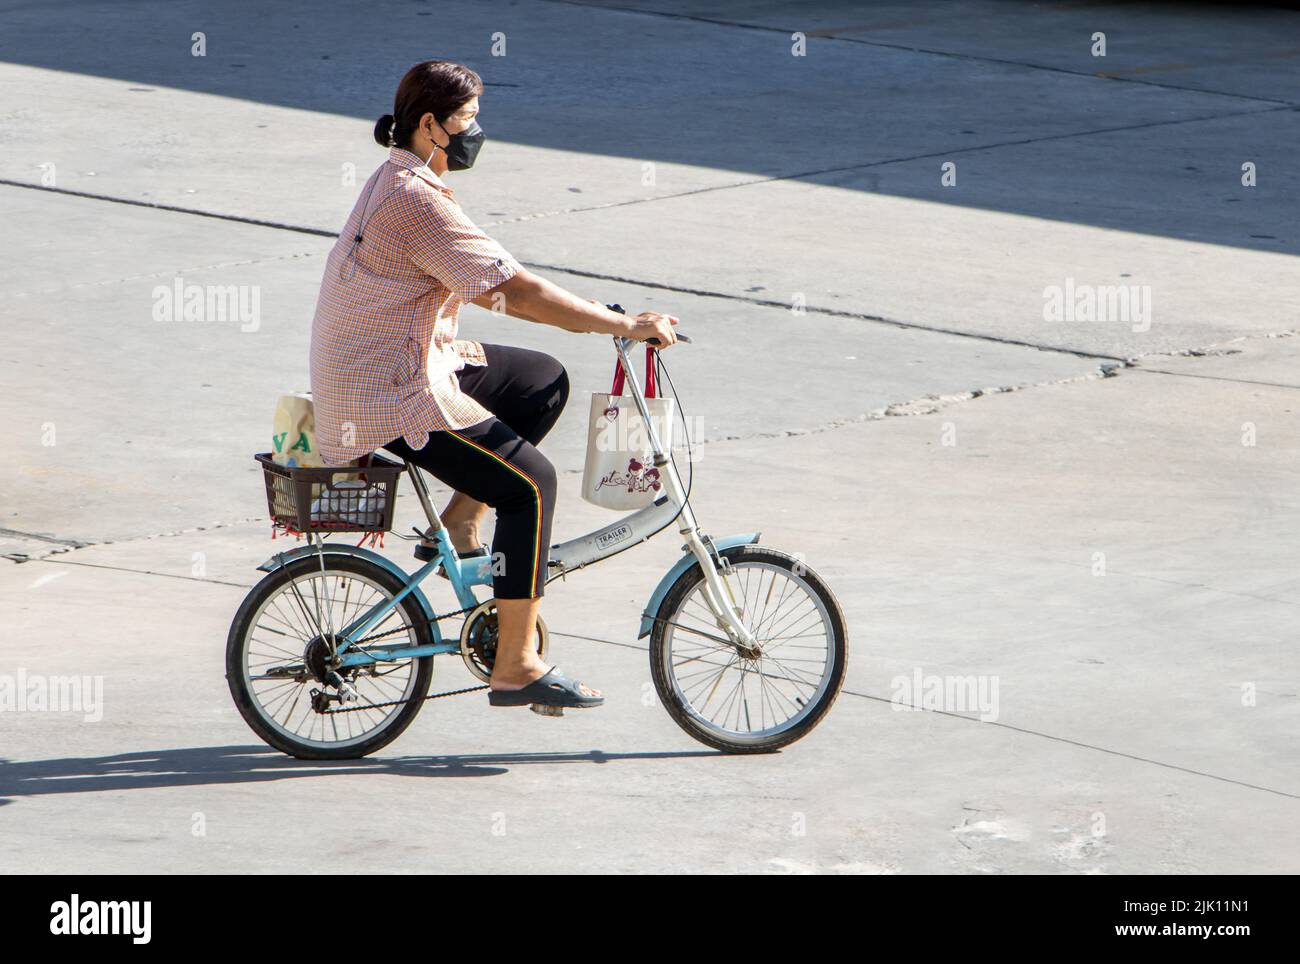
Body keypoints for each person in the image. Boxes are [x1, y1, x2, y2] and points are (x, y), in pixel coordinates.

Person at [310, 60, 678, 710]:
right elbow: (518, 292)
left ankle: (459, 524)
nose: (477, 132)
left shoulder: (400, 176)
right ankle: (515, 664)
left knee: (541, 382)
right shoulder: (415, 201)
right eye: (468, 121)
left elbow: (494, 289)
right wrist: (622, 323)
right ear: (431, 124)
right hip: (390, 389)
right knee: (532, 485)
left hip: (389, 362)